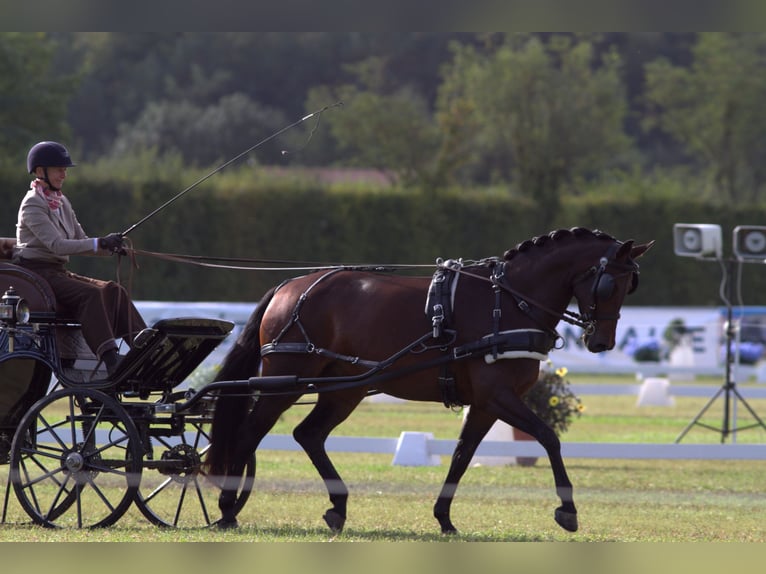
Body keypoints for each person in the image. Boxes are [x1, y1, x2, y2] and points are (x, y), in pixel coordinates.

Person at [12, 141, 147, 375]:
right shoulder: (32, 204)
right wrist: (99, 242)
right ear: (40, 171)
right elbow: (56, 245)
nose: (64, 174)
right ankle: (111, 360)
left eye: (65, 169)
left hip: (57, 272)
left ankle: (144, 350)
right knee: (90, 294)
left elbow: (81, 240)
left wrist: (110, 246)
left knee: (115, 291)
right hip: (37, 274)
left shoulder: (62, 202)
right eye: (59, 169)